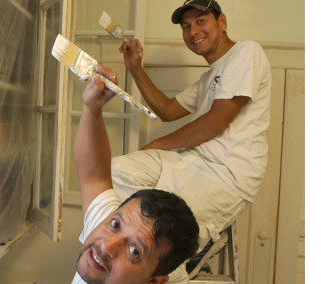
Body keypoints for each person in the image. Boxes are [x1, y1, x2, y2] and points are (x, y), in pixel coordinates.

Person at [113, 0, 271, 268]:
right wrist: (135, 69)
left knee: (162, 240)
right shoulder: (209, 77)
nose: (193, 30)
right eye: (186, 26)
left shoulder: (247, 52)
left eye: (201, 21)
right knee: (119, 169)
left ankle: (170, 268)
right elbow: (167, 110)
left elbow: (216, 121)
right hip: (192, 161)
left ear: (222, 22)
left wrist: (157, 144)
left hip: (226, 173)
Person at [72, 67, 199, 284]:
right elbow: (94, 177)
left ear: (154, 282)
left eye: (134, 251)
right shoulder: (110, 227)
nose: (106, 247)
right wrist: (92, 107)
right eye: (115, 225)